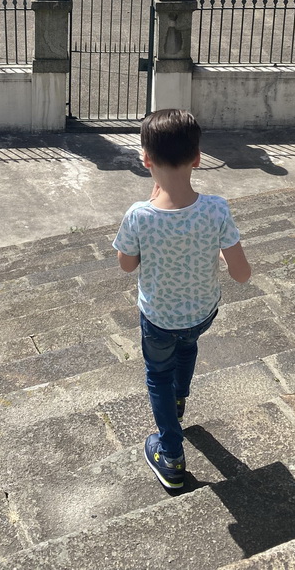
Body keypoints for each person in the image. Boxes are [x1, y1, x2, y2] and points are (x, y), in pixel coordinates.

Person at [113, 108, 251, 490]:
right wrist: (221, 250)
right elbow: (242, 273)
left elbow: (127, 265)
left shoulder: (139, 216)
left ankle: (171, 455)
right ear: (197, 158)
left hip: (158, 319)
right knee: (187, 348)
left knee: (157, 375)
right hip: (201, 313)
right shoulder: (216, 209)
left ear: (146, 160)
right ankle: (180, 400)